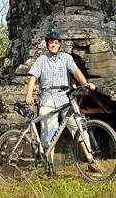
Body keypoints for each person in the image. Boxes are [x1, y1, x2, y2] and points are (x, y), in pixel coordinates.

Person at [26, 30, 98, 176]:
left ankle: (91, 160)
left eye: (56, 42)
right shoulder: (41, 60)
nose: (53, 44)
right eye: (51, 42)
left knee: (79, 126)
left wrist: (85, 82)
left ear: (59, 44)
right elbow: (33, 77)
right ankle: (50, 167)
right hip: (48, 99)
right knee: (49, 135)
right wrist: (28, 95)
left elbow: (76, 71)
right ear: (47, 44)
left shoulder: (66, 58)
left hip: (65, 98)